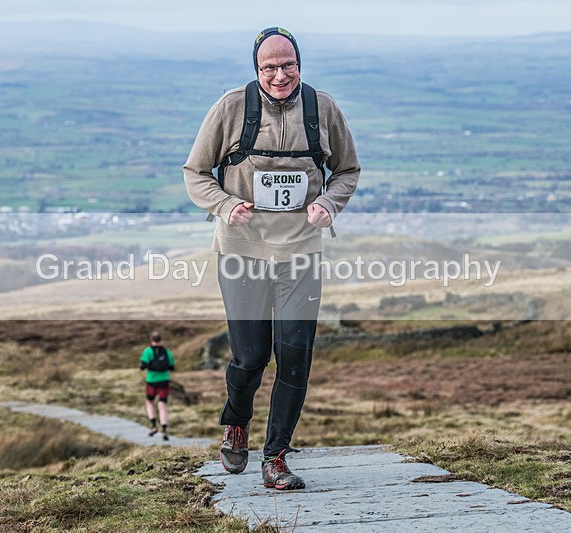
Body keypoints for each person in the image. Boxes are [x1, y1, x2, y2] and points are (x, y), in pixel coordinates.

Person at [183, 27, 360, 489]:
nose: (279, 75)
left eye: (288, 66)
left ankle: (276, 456)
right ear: (256, 69)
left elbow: (347, 170)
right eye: (269, 67)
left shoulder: (323, 109)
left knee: (295, 356)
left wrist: (329, 204)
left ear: (300, 65)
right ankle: (236, 422)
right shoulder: (231, 108)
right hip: (242, 251)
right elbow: (196, 173)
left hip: (301, 249)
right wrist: (225, 205)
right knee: (250, 357)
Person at [139, 331, 175, 441]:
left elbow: (143, 366)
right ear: (160, 340)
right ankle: (164, 429)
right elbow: (172, 366)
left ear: (152, 340)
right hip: (164, 380)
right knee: (162, 404)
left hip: (151, 381)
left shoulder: (148, 351)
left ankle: (154, 425)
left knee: (149, 402)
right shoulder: (167, 352)